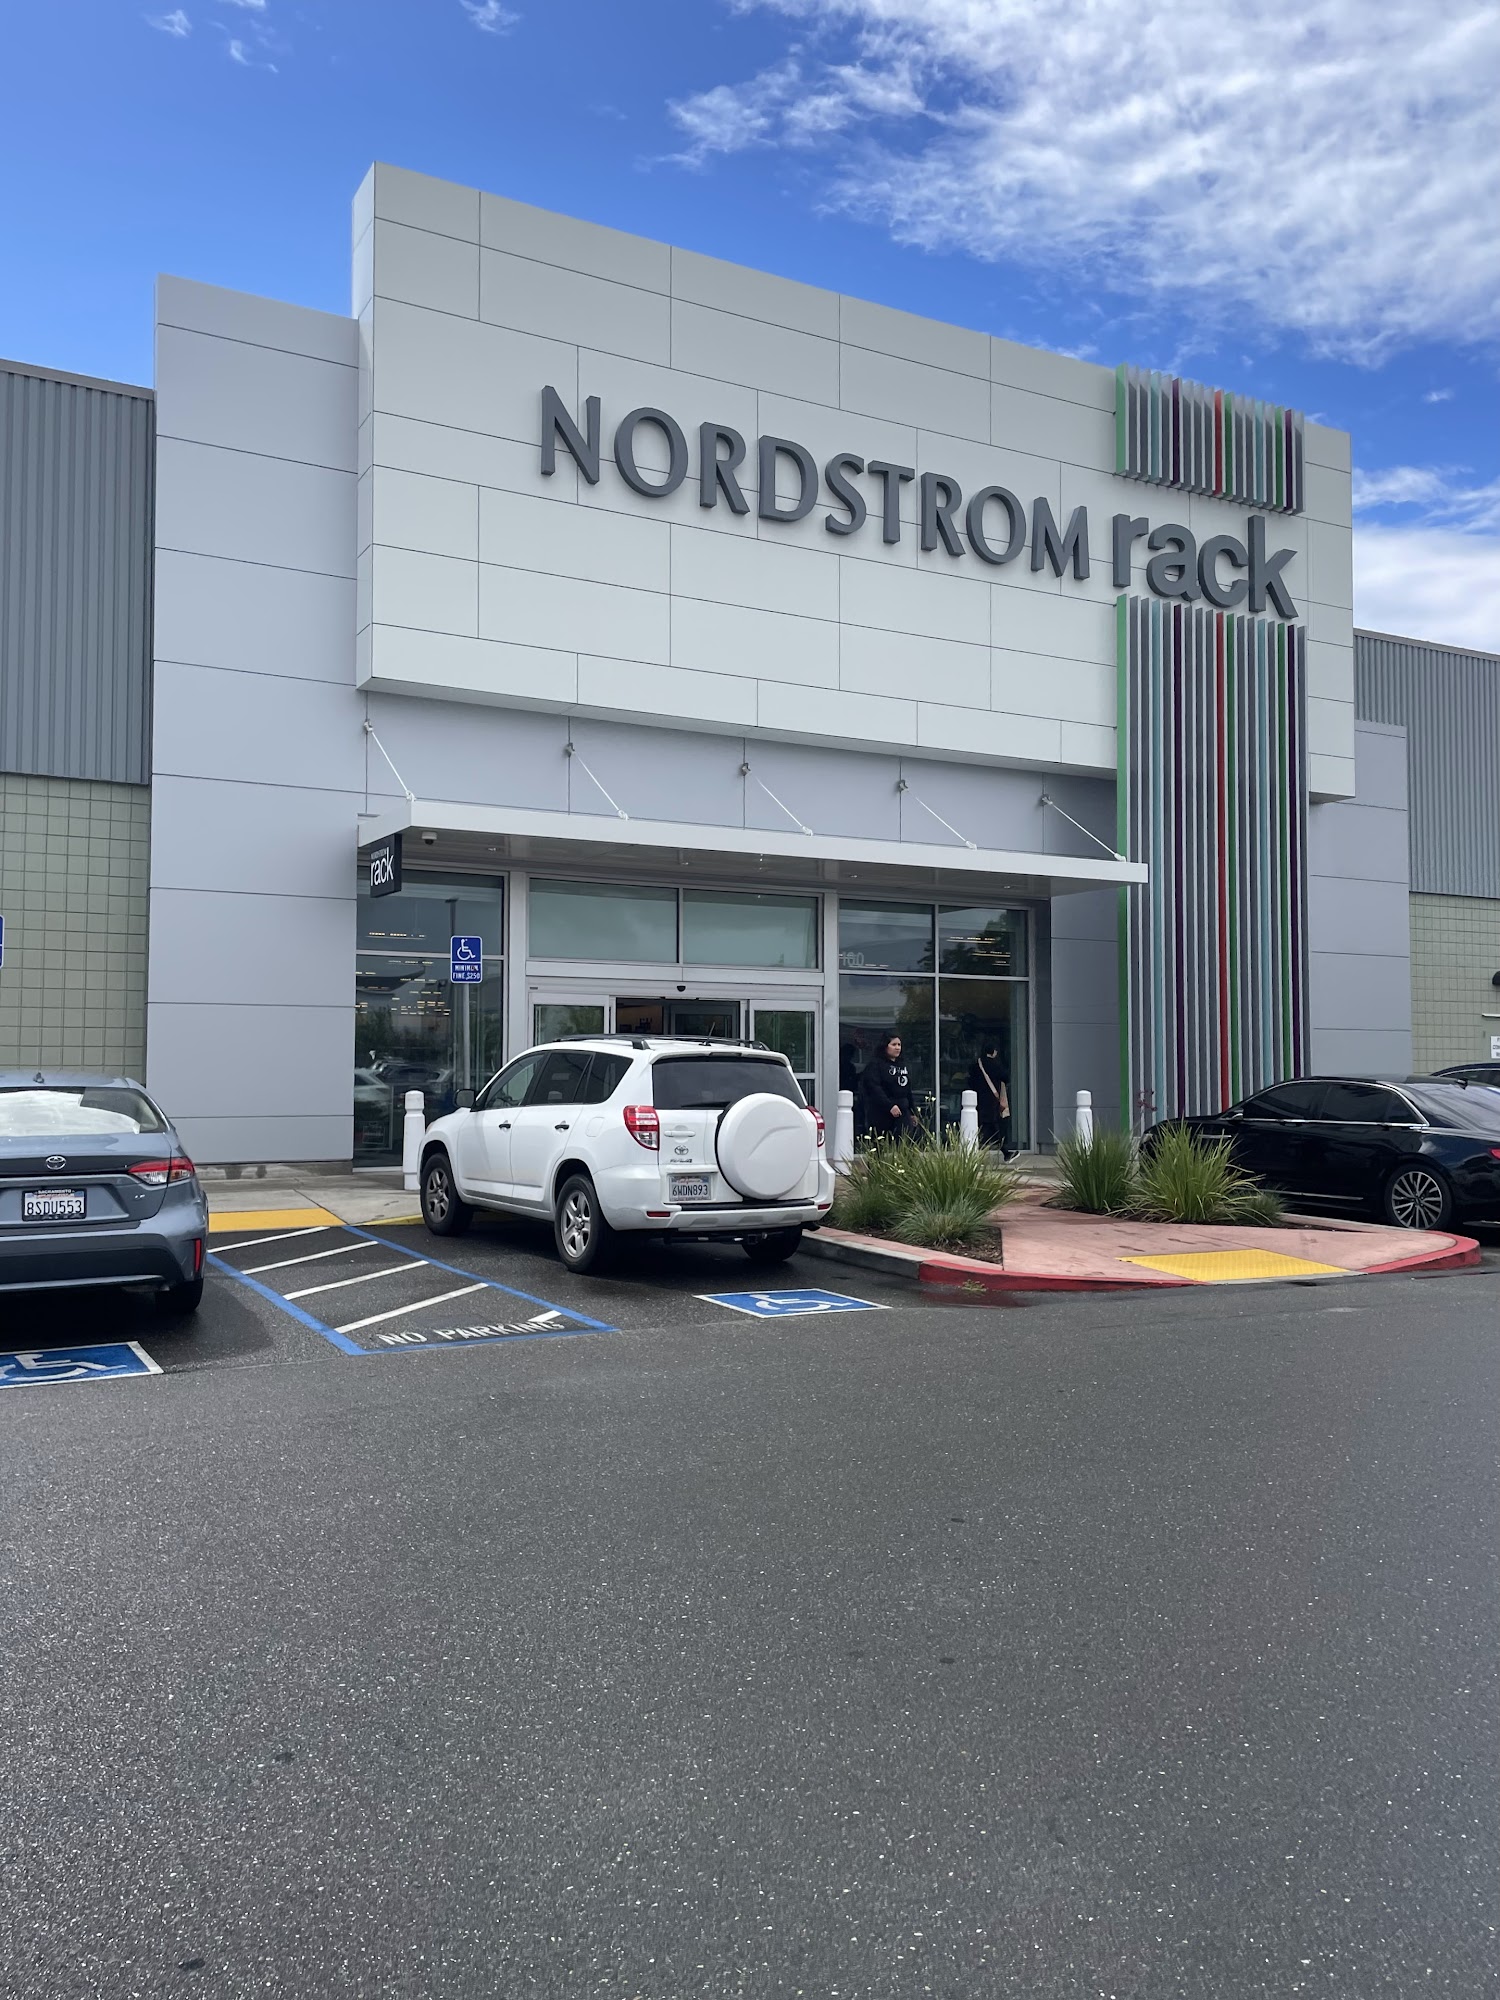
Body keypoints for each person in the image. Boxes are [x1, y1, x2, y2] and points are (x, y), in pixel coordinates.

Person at [858, 1033, 919, 1143]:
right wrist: (889, 1105)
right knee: (881, 1142)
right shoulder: (875, 1065)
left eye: (899, 1045)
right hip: (881, 1111)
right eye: (893, 1044)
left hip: (902, 1111)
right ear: (885, 1046)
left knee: (904, 1141)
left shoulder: (902, 1065)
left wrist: (913, 1112)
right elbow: (874, 1087)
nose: (897, 1048)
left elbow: (907, 1091)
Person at [968, 1041, 1015, 1158]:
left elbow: (970, 1079)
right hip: (991, 1100)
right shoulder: (995, 1065)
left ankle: (1003, 1152)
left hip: (977, 1099)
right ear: (993, 1052)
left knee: (982, 1126)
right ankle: (1005, 1152)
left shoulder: (976, 1065)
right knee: (992, 1126)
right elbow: (1005, 1077)